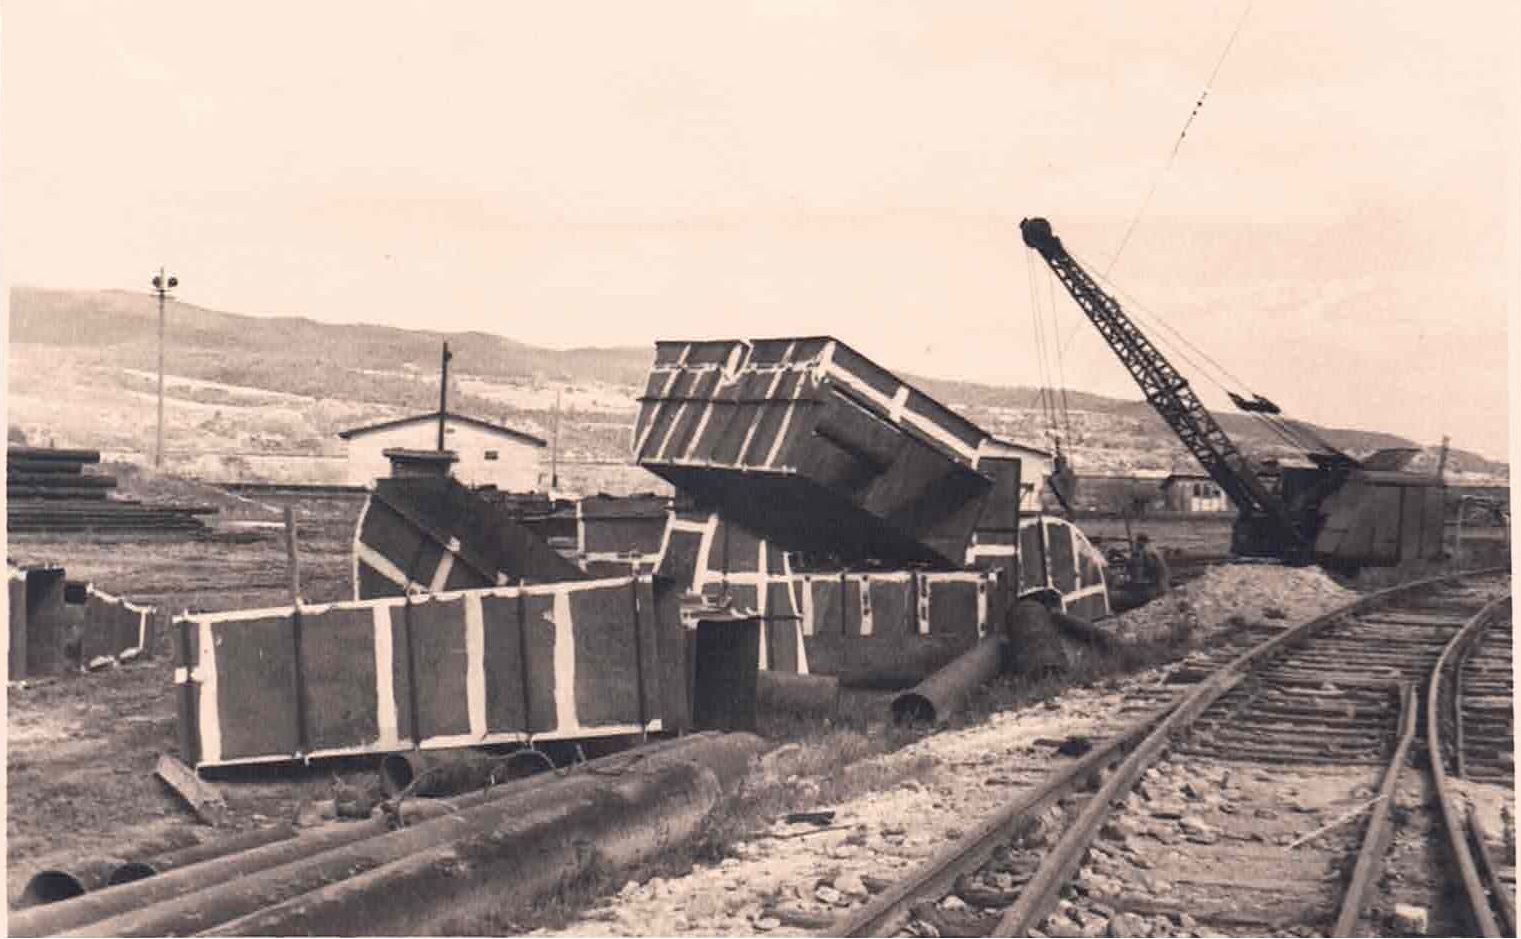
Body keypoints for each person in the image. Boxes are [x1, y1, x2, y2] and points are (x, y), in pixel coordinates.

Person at [1132, 532, 1171, 600]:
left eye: (1137, 543)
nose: (1135, 544)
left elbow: (1151, 567)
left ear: (1140, 542)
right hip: (1163, 579)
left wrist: (1142, 579)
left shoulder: (1146, 551)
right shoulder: (1152, 548)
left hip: (1158, 581)